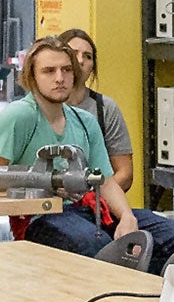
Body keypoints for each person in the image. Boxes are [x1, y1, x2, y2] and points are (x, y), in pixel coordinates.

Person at [0, 37, 174, 273]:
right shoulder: (19, 116)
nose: (60, 78)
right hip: (43, 215)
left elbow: (106, 181)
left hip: (91, 211)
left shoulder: (85, 121)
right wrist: (47, 182)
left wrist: (128, 218)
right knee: (96, 245)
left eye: (66, 70)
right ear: (32, 76)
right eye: (49, 71)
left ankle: (145, 300)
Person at [58, 28, 137, 193]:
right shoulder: (40, 108)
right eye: (74, 53)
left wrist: (94, 199)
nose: (81, 61)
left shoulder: (105, 108)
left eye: (88, 56)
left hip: (99, 202)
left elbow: (124, 173)